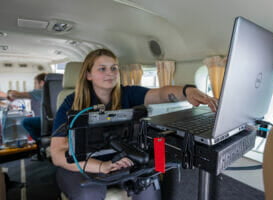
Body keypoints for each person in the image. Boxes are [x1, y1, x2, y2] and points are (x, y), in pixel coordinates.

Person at [50, 49, 218, 200]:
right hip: (82, 166)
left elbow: (161, 94)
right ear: (88, 75)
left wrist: (188, 91)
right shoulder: (71, 103)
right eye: (102, 69)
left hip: (122, 161)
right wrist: (102, 166)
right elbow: (57, 154)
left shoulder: (128, 93)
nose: (110, 73)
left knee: (148, 189)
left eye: (114, 68)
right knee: (91, 194)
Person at [7, 73, 47, 142]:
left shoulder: (40, 91)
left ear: (42, 83)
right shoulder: (53, 90)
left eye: (35, 83)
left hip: (45, 121)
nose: (34, 86)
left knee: (25, 122)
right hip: (54, 121)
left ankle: (40, 141)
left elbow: (15, 95)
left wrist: (9, 93)